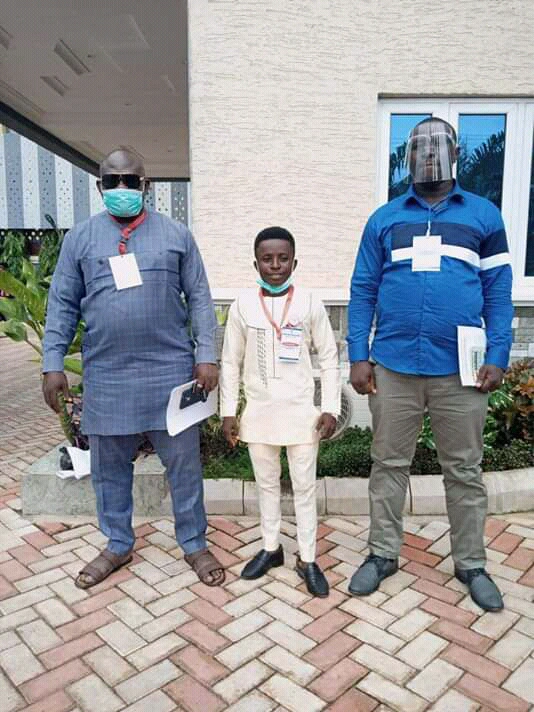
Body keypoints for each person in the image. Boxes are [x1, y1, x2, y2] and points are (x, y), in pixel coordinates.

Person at [347, 117, 513, 611]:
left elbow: (498, 293)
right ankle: (382, 554)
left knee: (464, 469)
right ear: (408, 156)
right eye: (418, 148)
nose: (428, 155)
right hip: (393, 364)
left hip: (461, 370)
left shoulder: (484, 216)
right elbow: (363, 288)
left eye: (438, 147)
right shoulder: (385, 219)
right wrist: (358, 354)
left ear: (456, 154)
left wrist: (498, 354)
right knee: (388, 465)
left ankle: (471, 563)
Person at [42, 148, 225, 589]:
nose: (121, 188)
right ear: (99, 186)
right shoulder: (80, 239)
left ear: (147, 185)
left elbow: (199, 297)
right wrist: (52, 362)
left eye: (130, 180)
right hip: (108, 376)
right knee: (109, 470)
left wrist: (207, 355)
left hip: (170, 373)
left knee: (184, 466)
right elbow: (62, 302)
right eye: (112, 181)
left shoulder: (176, 235)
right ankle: (118, 543)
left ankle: (194, 542)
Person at [220, 227, 340, 597]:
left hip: (302, 414)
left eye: (283, 258)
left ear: (294, 262)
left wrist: (330, 407)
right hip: (258, 413)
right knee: (267, 485)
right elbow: (230, 362)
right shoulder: (242, 305)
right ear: (255, 263)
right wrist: (228, 412)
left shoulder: (309, 302)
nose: (275, 266)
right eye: (267, 259)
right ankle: (271, 548)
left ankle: (308, 558)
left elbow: (329, 358)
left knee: (304, 487)